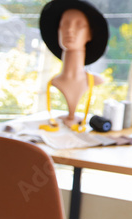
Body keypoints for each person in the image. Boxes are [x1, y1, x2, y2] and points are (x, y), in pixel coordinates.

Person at [39, 0, 109, 129]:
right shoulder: (53, 82)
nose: (70, 30)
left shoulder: (95, 81)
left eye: (79, 25)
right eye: (65, 24)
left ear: (90, 34)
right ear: (58, 31)